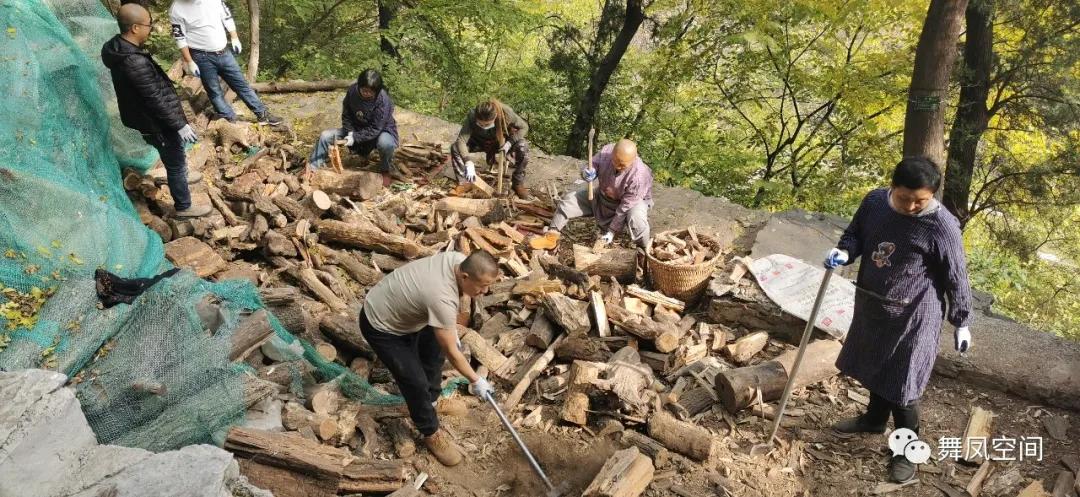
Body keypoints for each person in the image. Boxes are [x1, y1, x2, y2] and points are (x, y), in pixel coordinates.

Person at [824, 157, 973, 483]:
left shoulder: (941, 225)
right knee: (876, 364)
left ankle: (907, 449)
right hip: (874, 305)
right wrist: (845, 252)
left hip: (915, 316)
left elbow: (956, 276)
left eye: (920, 200)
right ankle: (875, 419)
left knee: (904, 386)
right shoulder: (875, 202)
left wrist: (962, 321)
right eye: (905, 198)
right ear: (893, 187)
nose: (910, 206)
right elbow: (856, 235)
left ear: (932, 195)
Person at [359, 250, 500, 466]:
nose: (485, 291)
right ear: (465, 277)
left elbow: (450, 317)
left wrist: (449, 331)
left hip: (409, 313)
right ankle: (430, 432)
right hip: (382, 324)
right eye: (482, 286)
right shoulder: (440, 296)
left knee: (434, 354)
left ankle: (432, 401)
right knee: (414, 380)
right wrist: (476, 380)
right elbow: (454, 354)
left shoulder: (457, 260)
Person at [102, 3, 211, 218]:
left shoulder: (120, 48)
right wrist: (179, 124)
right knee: (175, 159)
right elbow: (154, 98)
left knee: (174, 154)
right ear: (134, 28)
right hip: (155, 122)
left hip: (152, 119)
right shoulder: (133, 61)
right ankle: (183, 206)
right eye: (147, 25)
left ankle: (179, 174)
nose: (150, 28)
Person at [169, 0, 282, 125]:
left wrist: (234, 37)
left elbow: (226, 17)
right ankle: (229, 119)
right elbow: (180, 38)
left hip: (224, 52)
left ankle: (262, 115)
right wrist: (190, 61)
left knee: (241, 84)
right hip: (201, 56)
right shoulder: (177, 9)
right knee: (214, 91)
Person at [529, 139, 653, 250]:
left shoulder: (640, 176)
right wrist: (588, 171)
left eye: (622, 165)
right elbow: (591, 164)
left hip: (631, 203)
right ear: (612, 153)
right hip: (603, 196)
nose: (617, 166)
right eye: (615, 161)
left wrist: (612, 231)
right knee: (569, 200)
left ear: (634, 159)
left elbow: (625, 207)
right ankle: (551, 236)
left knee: (636, 218)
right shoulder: (607, 152)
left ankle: (643, 249)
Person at [306, 69, 403, 180]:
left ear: (377, 91)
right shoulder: (352, 91)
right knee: (325, 136)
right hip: (356, 128)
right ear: (359, 86)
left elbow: (376, 128)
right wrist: (350, 132)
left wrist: (355, 137)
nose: (367, 93)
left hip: (380, 131)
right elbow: (346, 115)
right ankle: (313, 168)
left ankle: (385, 169)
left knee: (386, 144)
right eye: (364, 90)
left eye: (370, 92)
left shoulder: (383, 100)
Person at [451, 99, 532, 199]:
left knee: (523, 146)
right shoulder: (472, 116)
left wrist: (509, 143)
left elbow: (524, 127)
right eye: (480, 124)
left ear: (495, 117)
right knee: (455, 147)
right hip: (478, 142)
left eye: (487, 124)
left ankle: (517, 183)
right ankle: (464, 182)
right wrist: (468, 162)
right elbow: (461, 140)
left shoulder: (506, 113)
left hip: (500, 143)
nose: (484, 126)